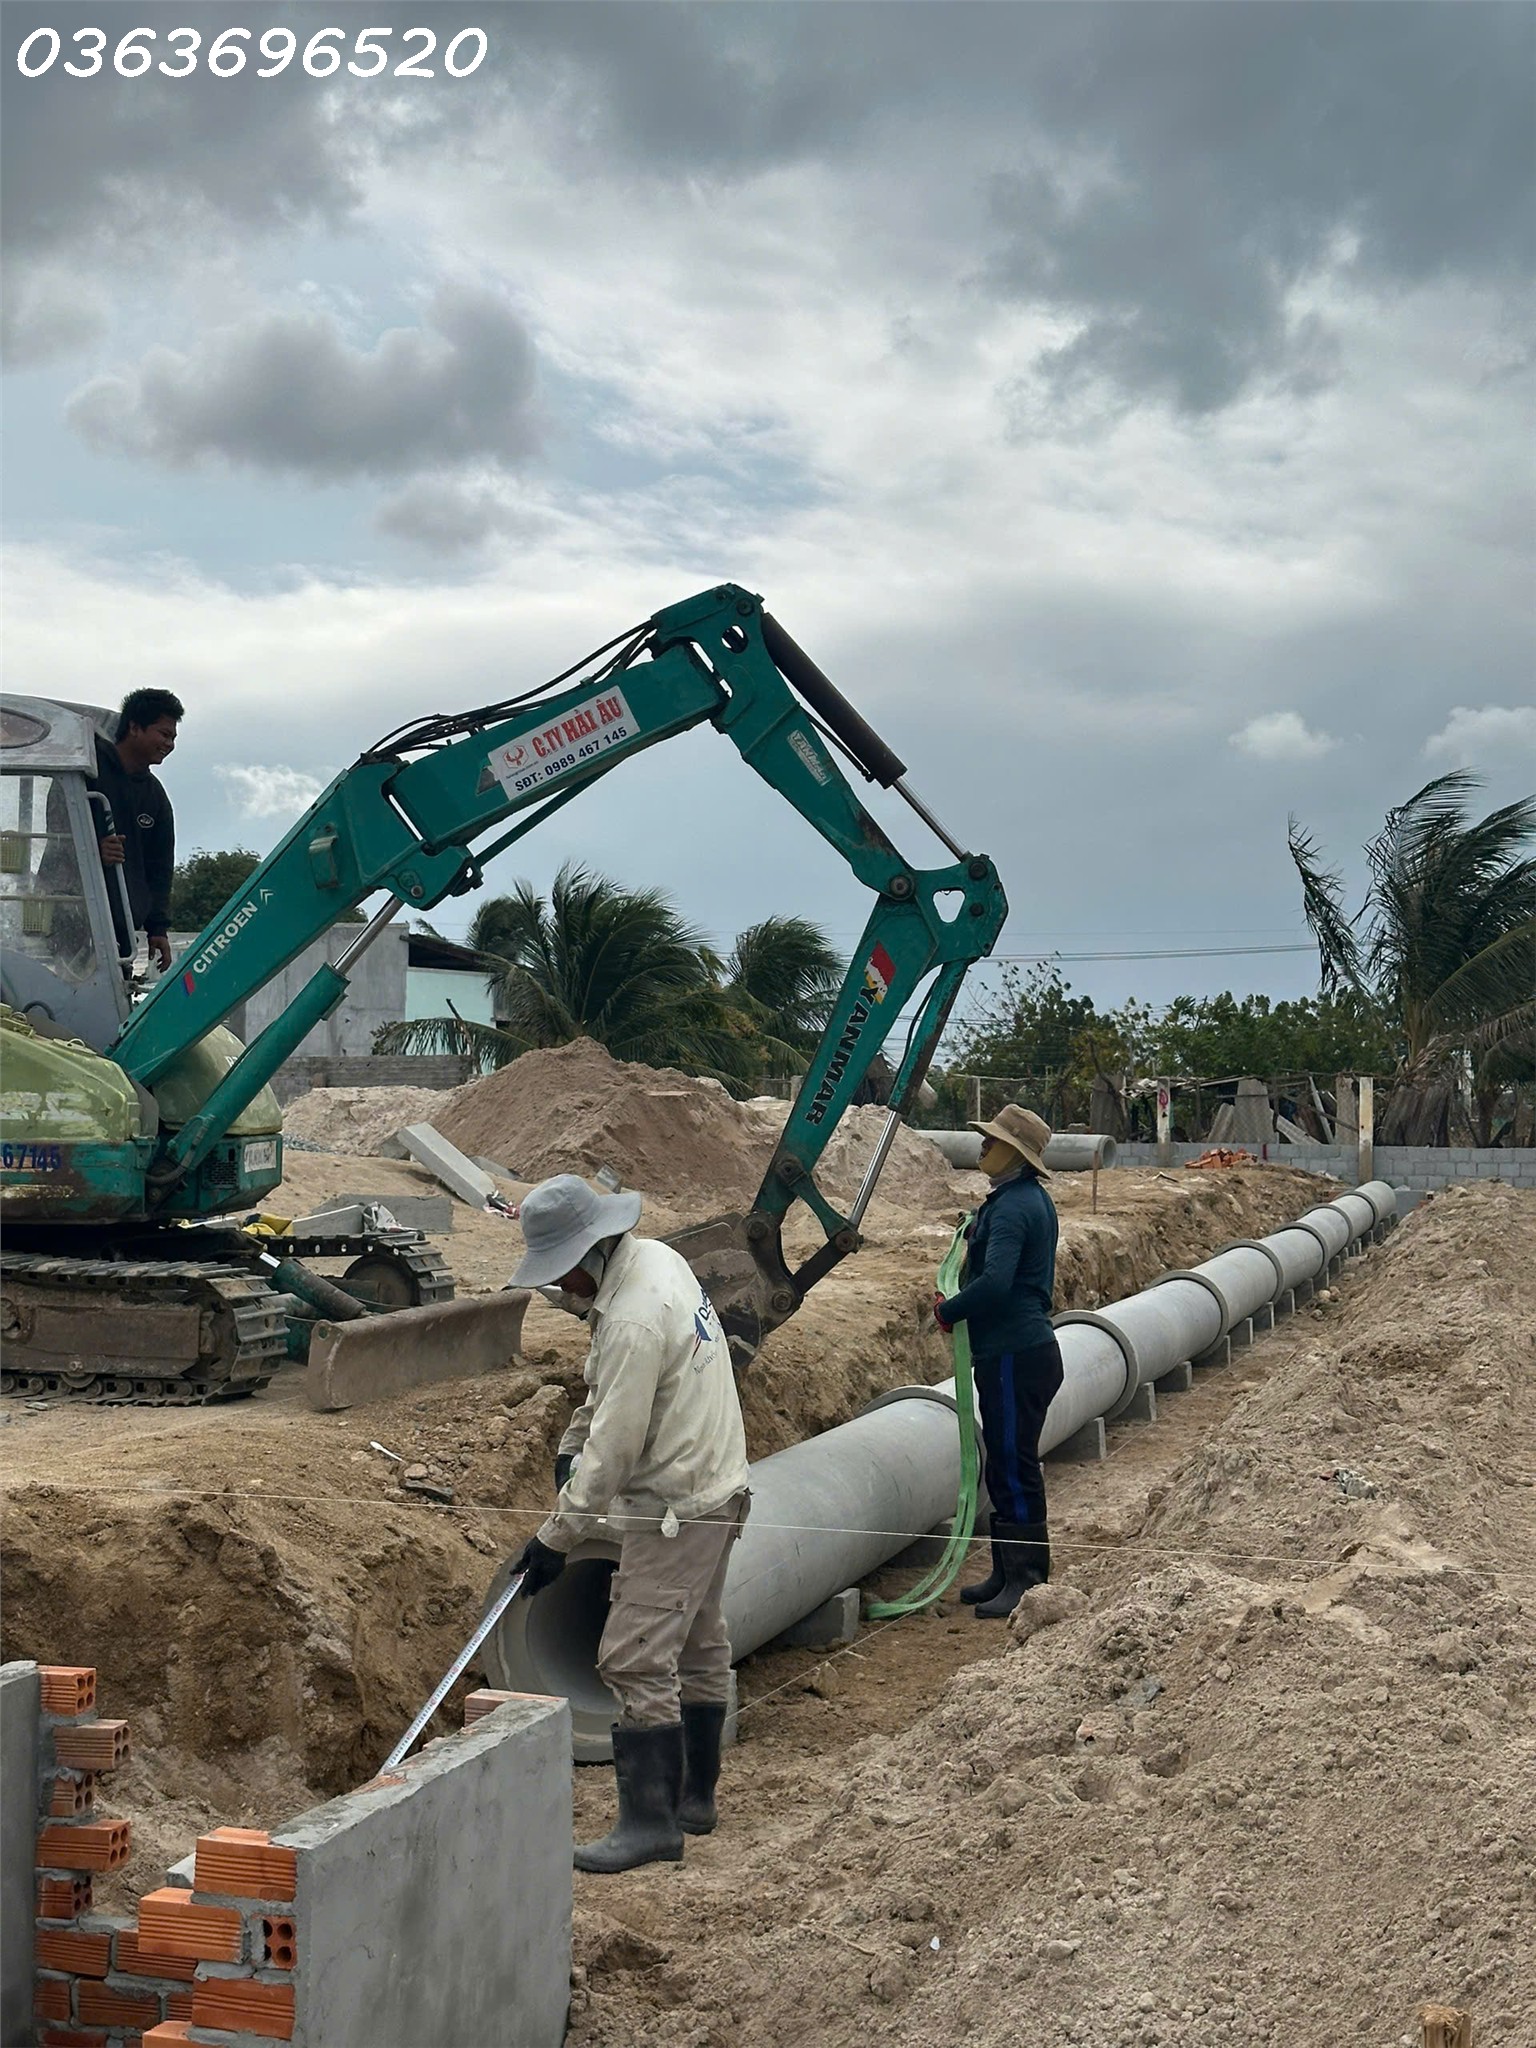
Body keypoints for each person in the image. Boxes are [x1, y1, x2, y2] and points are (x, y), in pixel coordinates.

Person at [509, 1174, 751, 1874]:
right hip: (721, 1486)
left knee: (631, 1657)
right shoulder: (656, 1261)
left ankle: (650, 1824)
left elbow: (616, 1447)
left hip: (677, 1506)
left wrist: (556, 1538)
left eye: (562, 1277)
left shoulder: (632, 1320)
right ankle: (694, 1801)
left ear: (589, 1257)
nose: (562, 1292)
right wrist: (566, 1446)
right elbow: (607, 1394)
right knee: (702, 1642)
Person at [935, 1103, 1063, 1620]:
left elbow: (996, 1283)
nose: (983, 1146)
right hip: (1018, 1352)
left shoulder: (1012, 1208)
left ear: (1015, 1153)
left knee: (1014, 1465)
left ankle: (1027, 1582)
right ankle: (1006, 1573)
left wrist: (950, 1310)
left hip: (1015, 1353)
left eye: (992, 1141)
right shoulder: (1022, 1199)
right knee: (1007, 1463)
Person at [90, 688, 182, 972]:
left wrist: (158, 929)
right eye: (164, 734)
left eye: (173, 738)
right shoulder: (87, 774)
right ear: (134, 727)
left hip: (122, 933)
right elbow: (58, 838)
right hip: (76, 922)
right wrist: (95, 853)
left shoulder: (155, 797)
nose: (169, 744)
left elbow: (160, 868)